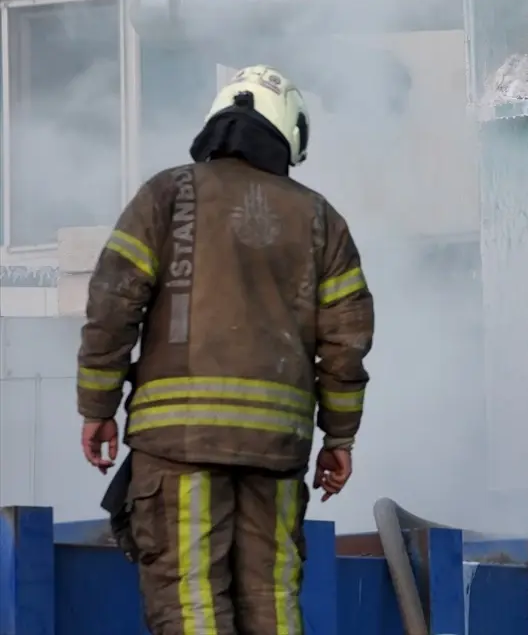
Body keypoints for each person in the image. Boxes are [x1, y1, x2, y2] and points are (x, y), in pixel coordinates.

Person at [77, 65, 375, 634]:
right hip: (277, 450)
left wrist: (97, 407)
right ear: (288, 131)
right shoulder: (320, 219)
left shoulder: (166, 195)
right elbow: (347, 343)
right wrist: (339, 439)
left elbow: (113, 303)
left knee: (191, 602)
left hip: (178, 444)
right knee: (274, 601)